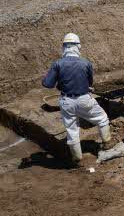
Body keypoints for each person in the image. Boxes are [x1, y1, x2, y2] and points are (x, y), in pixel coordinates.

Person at [42, 33, 113, 167]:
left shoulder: (57, 64)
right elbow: (89, 83)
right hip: (84, 99)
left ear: (64, 47)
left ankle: (77, 159)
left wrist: (55, 80)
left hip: (67, 101)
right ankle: (107, 143)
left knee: (72, 130)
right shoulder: (86, 63)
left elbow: (47, 84)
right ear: (78, 46)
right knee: (102, 118)